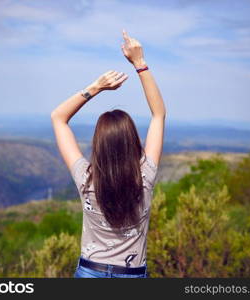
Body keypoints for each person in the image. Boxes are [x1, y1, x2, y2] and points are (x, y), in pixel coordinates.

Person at [50, 30, 166, 278]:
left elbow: (58, 118)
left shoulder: (86, 178)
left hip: (90, 272)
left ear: (98, 145)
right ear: (132, 141)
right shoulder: (144, 175)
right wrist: (140, 64)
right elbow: (158, 114)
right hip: (132, 274)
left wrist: (96, 87)